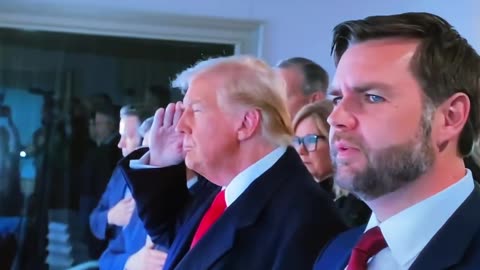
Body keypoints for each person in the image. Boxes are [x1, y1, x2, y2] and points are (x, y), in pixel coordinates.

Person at [121, 55, 346, 270]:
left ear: (246, 123)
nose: (180, 125)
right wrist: (161, 162)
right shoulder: (220, 186)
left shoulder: (304, 218)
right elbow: (174, 239)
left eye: (196, 110)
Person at [314, 12, 480, 270]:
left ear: (450, 117)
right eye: (337, 99)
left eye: (372, 97)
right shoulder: (335, 252)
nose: (336, 118)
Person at [292, 100, 370, 227]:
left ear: (336, 142)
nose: (301, 150)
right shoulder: (299, 199)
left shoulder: (358, 205)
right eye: (297, 141)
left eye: (310, 140)